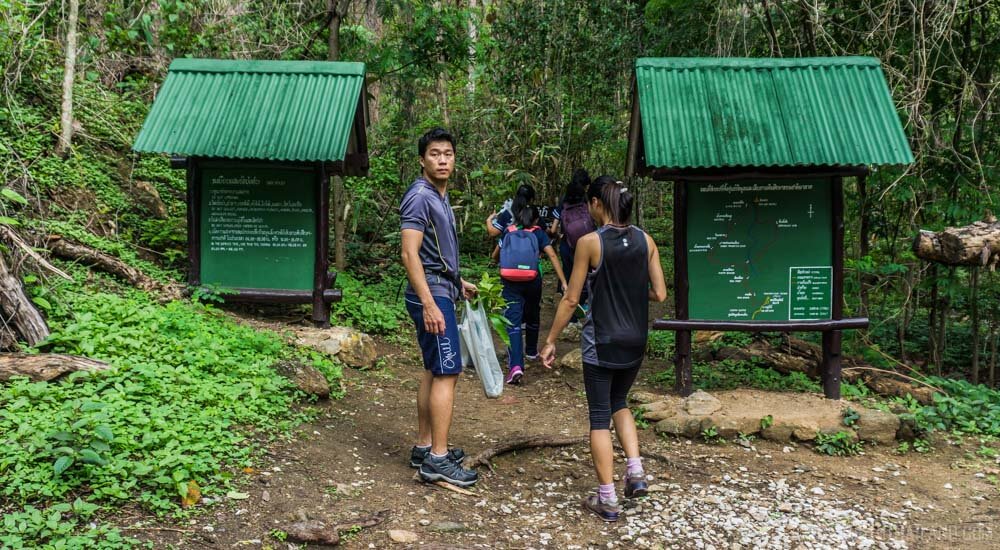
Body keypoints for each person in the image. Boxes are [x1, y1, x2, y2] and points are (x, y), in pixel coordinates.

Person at [540, 176, 668, 522]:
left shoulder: (590, 243)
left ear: (597, 203)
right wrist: (628, 287)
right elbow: (659, 293)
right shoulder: (647, 240)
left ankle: (607, 499)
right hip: (635, 340)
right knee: (619, 402)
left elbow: (570, 299)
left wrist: (550, 340)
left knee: (599, 416)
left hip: (602, 341)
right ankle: (636, 472)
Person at [399, 127, 480, 488]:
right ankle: (438, 460)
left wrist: (456, 280)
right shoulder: (419, 196)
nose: (442, 159)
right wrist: (431, 303)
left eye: (447, 153)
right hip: (431, 294)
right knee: (448, 371)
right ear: (422, 159)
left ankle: (424, 445)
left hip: (441, 287)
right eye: (434, 154)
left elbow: (435, 250)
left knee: (435, 368)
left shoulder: (439, 195)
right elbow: (409, 253)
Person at [498, 205, 568, 385]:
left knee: (512, 323)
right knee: (533, 313)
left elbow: (496, 254)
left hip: (510, 281)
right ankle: (530, 351)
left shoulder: (508, 230)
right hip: (532, 280)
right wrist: (563, 282)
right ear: (536, 220)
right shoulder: (538, 233)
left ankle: (515, 366)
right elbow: (552, 255)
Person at [551, 168, 594, 311]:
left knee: (569, 276)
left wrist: (561, 234)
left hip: (567, 244)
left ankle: (571, 312)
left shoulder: (563, 201)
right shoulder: (587, 199)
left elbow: (553, 229)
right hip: (588, 244)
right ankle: (585, 303)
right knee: (588, 274)